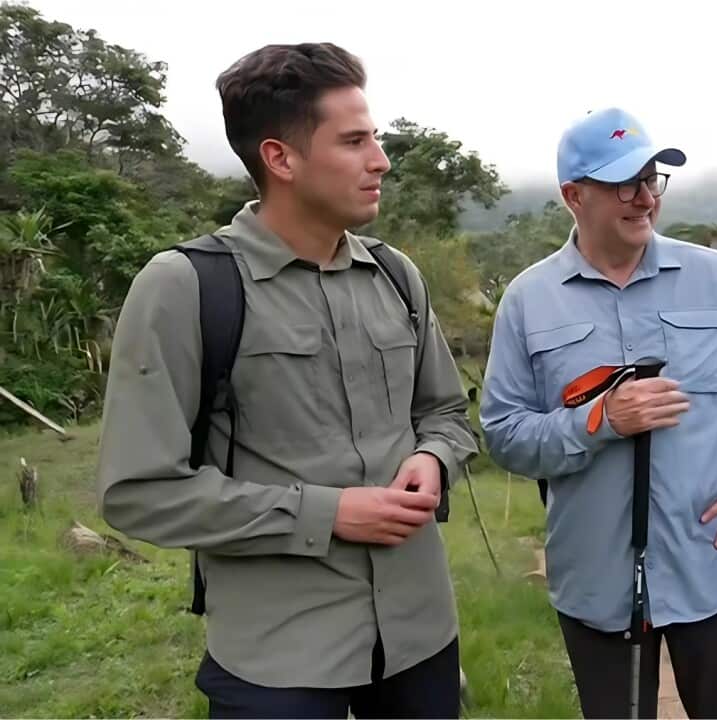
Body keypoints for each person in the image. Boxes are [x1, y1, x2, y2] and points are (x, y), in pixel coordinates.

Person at [95, 42, 478, 718]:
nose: (380, 159)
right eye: (354, 140)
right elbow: (139, 494)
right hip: (280, 660)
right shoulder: (188, 287)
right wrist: (328, 514)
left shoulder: (395, 276)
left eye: (375, 138)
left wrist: (432, 457)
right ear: (280, 158)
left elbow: (446, 412)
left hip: (421, 636)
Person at [479, 107, 717, 719]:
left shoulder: (710, 276)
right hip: (595, 579)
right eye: (623, 184)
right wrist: (600, 420)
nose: (643, 198)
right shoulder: (529, 299)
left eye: (651, 180)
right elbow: (504, 434)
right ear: (572, 195)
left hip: (713, 565)